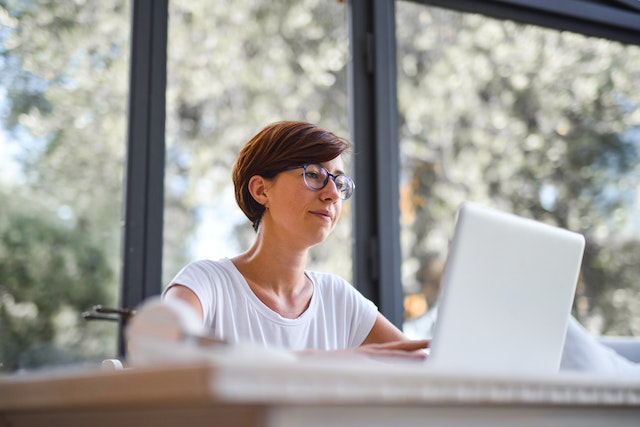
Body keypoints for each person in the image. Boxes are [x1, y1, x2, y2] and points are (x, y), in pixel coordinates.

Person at [163, 120, 429, 359]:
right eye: (313, 174)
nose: (332, 194)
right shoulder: (206, 283)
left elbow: (422, 364)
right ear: (260, 190)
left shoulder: (338, 298)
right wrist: (327, 363)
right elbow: (162, 351)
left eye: (338, 182)